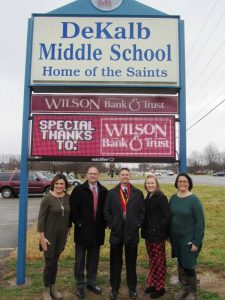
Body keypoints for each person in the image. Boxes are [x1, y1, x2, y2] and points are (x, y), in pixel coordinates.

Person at [104, 167, 145, 300]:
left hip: (132, 234)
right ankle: (114, 288)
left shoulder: (138, 193)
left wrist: (137, 224)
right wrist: (112, 225)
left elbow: (142, 212)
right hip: (116, 233)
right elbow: (106, 212)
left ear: (130, 176)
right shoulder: (111, 193)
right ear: (119, 176)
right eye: (122, 174)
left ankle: (132, 288)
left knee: (131, 262)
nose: (125, 176)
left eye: (127, 174)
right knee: (115, 262)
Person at [69, 166, 108, 299]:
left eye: (95, 174)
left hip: (97, 232)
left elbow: (105, 211)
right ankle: (80, 285)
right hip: (82, 232)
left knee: (93, 260)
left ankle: (91, 282)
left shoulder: (103, 191)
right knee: (79, 260)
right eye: (90, 173)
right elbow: (73, 209)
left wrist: (105, 224)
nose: (92, 176)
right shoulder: (79, 190)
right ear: (87, 174)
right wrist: (79, 223)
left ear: (98, 175)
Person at [169, 173, 205, 300]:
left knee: (188, 264)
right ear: (176, 183)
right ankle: (184, 288)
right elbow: (170, 217)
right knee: (180, 262)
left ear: (189, 183)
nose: (182, 184)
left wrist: (196, 241)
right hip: (175, 239)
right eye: (180, 181)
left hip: (189, 239)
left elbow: (200, 222)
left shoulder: (194, 200)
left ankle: (193, 292)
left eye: (185, 181)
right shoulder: (173, 198)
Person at [37, 174, 70, 300]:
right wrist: (42, 238)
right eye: (57, 184)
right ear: (53, 184)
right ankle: (46, 290)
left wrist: (68, 232)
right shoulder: (47, 198)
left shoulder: (67, 197)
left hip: (61, 236)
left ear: (65, 185)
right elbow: (40, 220)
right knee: (49, 263)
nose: (59, 186)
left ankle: (53, 288)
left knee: (55, 262)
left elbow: (68, 216)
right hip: (48, 236)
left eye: (62, 184)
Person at [141, 175, 170, 298]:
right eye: (148, 183)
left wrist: (157, 228)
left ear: (156, 184)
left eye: (152, 183)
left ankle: (160, 287)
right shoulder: (147, 197)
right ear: (145, 185)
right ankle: (153, 283)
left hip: (158, 236)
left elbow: (167, 216)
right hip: (148, 235)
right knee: (152, 260)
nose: (150, 185)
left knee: (159, 261)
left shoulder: (161, 197)